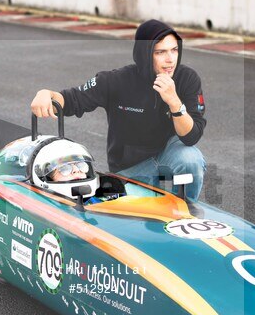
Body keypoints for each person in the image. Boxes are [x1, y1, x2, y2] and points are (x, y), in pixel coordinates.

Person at [30, 19, 207, 201]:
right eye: (160, 52)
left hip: (169, 156)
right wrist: (47, 94)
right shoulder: (116, 80)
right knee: (128, 210)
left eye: (174, 50)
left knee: (190, 159)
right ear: (145, 54)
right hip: (129, 170)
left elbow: (191, 136)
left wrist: (174, 102)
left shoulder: (187, 79)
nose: (170, 59)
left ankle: (185, 213)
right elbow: (71, 99)